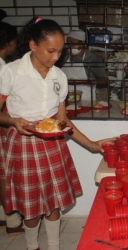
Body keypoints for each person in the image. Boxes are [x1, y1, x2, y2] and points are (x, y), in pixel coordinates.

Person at [0, 17, 115, 250]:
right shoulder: (11, 73)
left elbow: (61, 121)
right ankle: (32, 246)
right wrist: (13, 120)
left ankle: (54, 247)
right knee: (30, 205)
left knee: (53, 203)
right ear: (33, 45)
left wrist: (91, 144)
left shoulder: (59, 77)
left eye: (60, 51)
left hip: (52, 142)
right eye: (51, 50)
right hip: (22, 142)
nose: (55, 57)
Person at [0, 21, 25, 236]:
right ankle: (11, 218)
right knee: (4, 174)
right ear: (8, 42)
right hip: (3, 127)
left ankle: (2, 215)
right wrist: (10, 122)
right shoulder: (5, 69)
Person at [60, 30, 108, 102]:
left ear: (82, 43)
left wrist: (93, 82)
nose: (69, 46)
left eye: (72, 43)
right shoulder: (63, 56)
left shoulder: (92, 58)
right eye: (68, 43)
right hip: (65, 99)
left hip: (86, 99)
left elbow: (104, 79)